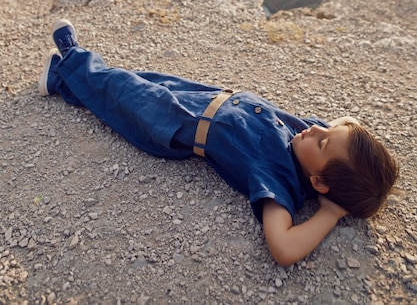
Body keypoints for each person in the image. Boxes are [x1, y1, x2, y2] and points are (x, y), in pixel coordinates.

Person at [38, 19, 399, 266]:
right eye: (325, 133)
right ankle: (60, 80)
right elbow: (347, 124)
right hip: (205, 97)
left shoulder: (280, 180)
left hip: (177, 123)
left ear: (319, 182)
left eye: (324, 143)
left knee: (123, 91)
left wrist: (330, 212)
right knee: (137, 80)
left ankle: (72, 55)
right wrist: (355, 151)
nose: (319, 130)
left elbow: (284, 249)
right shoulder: (309, 139)